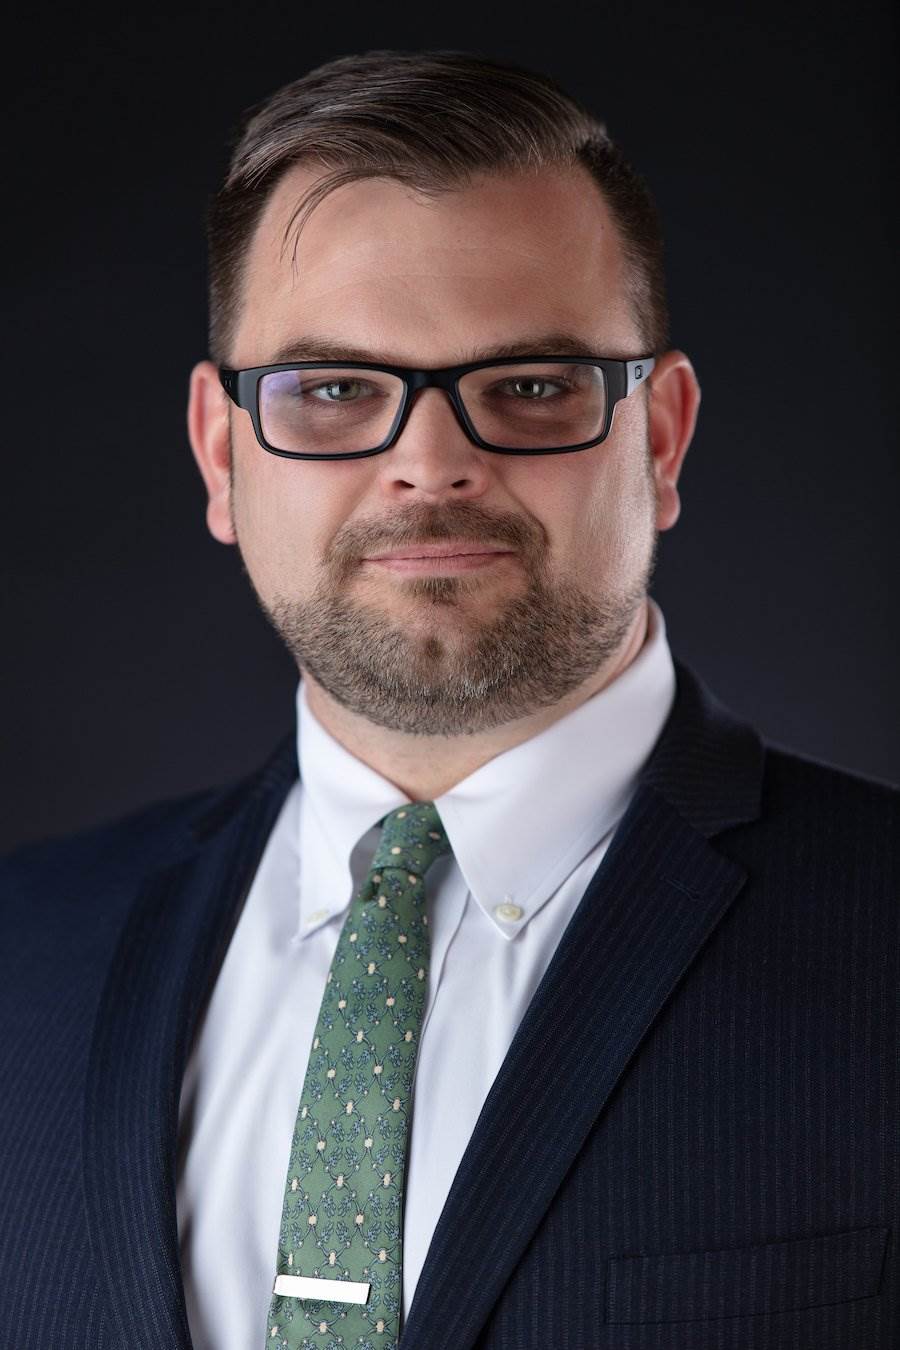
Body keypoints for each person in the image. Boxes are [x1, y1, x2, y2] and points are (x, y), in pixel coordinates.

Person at [1, 47, 897, 1350]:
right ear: (218, 450)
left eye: (530, 386)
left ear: (660, 437)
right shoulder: (22, 953)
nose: (430, 463)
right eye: (332, 390)